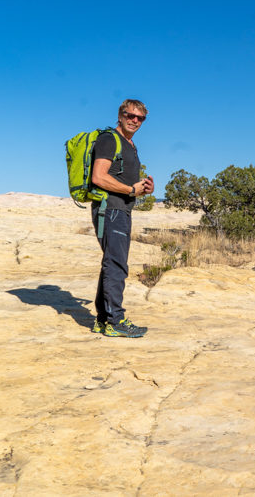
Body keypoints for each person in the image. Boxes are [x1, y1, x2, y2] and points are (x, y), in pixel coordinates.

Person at [90, 99, 155, 337]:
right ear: (120, 115)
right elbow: (98, 177)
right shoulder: (109, 140)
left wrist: (143, 188)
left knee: (112, 262)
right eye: (130, 115)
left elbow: (123, 181)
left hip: (121, 210)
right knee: (116, 264)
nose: (134, 121)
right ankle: (115, 321)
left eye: (140, 118)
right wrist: (130, 191)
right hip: (111, 210)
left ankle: (102, 320)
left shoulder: (129, 145)